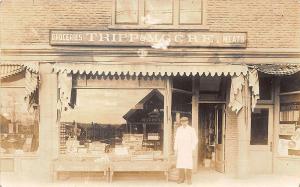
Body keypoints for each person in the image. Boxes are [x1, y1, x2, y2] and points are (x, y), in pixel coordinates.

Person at [174, 117, 198, 185]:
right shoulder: (179, 129)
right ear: (181, 122)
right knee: (181, 164)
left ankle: (189, 179)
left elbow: (195, 140)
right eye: (182, 121)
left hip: (188, 150)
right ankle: (181, 179)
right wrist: (176, 149)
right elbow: (176, 140)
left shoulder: (191, 129)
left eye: (185, 121)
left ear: (187, 122)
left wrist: (192, 148)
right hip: (181, 150)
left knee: (188, 165)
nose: (183, 123)